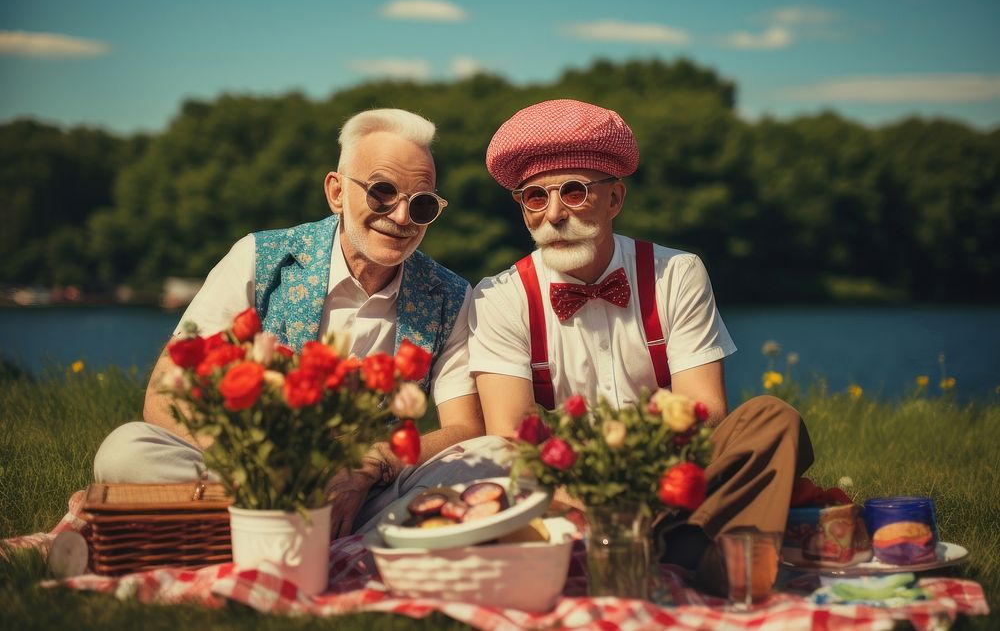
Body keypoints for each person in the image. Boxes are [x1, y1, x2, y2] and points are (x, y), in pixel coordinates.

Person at [94, 108, 507, 538]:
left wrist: (371, 464)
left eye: (420, 204)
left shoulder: (449, 294)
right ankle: (312, 528)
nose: (402, 218)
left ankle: (247, 532)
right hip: (246, 476)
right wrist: (263, 474)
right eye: (382, 192)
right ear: (335, 191)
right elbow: (164, 394)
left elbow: (464, 428)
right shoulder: (260, 256)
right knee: (125, 451)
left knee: (494, 455)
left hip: (368, 489)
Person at [468, 99, 814, 593]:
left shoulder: (676, 273)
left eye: (574, 191)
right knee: (496, 472)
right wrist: (592, 497)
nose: (556, 214)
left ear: (615, 199)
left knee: (773, 420)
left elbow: (706, 412)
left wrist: (643, 489)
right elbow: (511, 437)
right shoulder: (499, 297)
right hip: (568, 493)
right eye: (535, 198)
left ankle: (669, 548)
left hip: (672, 478)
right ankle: (705, 556)